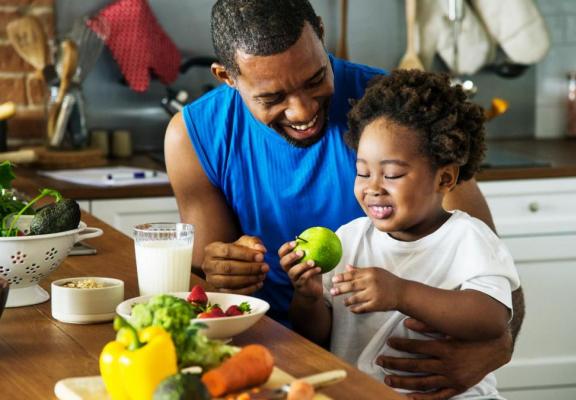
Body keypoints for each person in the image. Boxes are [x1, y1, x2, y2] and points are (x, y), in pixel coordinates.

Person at [164, 0, 525, 397]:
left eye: (315, 78)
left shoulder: (395, 114)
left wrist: (494, 350)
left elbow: (497, 281)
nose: (302, 110)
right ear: (226, 77)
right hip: (272, 361)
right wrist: (221, 271)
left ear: (321, 32)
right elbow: (207, 293)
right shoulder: (194, 135)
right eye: (272, 97)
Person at [279, 69, 521, 398]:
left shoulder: (467, 238)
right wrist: (306, 298)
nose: (372, 188)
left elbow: (492, 318)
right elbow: (319, 334)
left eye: (391, 174)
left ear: (444, 179)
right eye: (363, 172)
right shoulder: (350, 239)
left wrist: (401, 294)